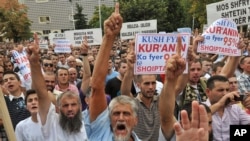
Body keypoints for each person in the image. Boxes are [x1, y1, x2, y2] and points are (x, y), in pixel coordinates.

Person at [82, 3, 141, 140]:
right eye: (116, 113)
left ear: (135, 120)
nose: (120, 118)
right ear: (108, 118)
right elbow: (96, 86)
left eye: (126, 114)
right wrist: (109, 37)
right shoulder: (100, 132)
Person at [27, 33, 88, 141]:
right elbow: (41, 94)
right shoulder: (52, 123)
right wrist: (34, 63)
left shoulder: (81, 124)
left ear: (79, 106)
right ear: (58, 108)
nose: (70, 109)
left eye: (73, 105)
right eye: (65, 105)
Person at [204, 75, 250, 141]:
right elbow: (200, 117)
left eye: (227, 90)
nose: (225, 93)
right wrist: (220, 104)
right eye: (220, 90)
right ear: (208, 92)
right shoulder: (200, 106)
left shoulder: (235, 108)